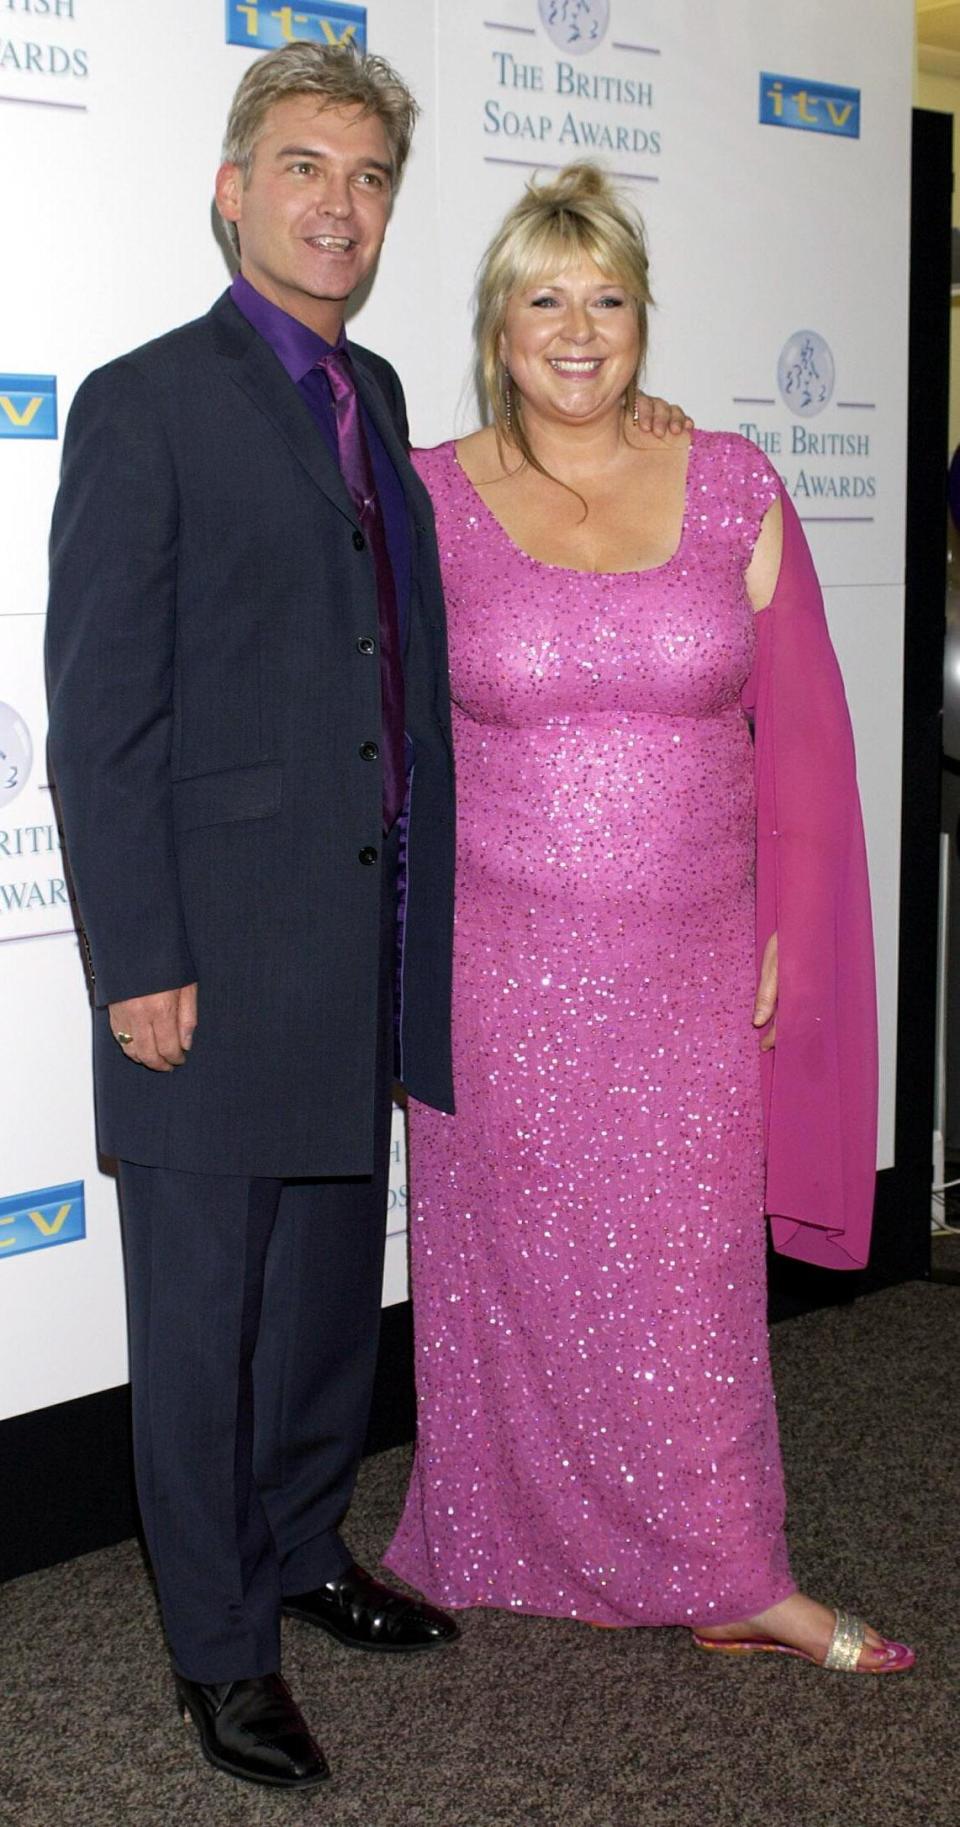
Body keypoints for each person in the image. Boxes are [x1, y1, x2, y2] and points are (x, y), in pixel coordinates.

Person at [44, 51, 687, 1791]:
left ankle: (305, 1547)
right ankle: (217, 1645)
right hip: (212, 957)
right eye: (304, 167)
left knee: (330, 1300)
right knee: (201, 1327)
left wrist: (639, 431)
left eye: (371, 177)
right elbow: (97, 719)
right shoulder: (142, 398)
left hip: (369, 945)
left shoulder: (379, 388)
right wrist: (141, 957)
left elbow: (474, 555)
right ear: (234, 190)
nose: (339, 204)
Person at [385, 162, 915, 1676]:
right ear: (497, 325)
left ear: (641, 320)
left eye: (605, 294)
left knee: (683, 1286)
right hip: (499, 965)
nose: (576, 325)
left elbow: (806, 736)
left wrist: (793, 931)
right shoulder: (422, 496)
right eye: (543, 296)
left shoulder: (733, 477)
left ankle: (736, 1569)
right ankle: (487, 1532)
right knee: (516, 1271)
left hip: (693, 964)